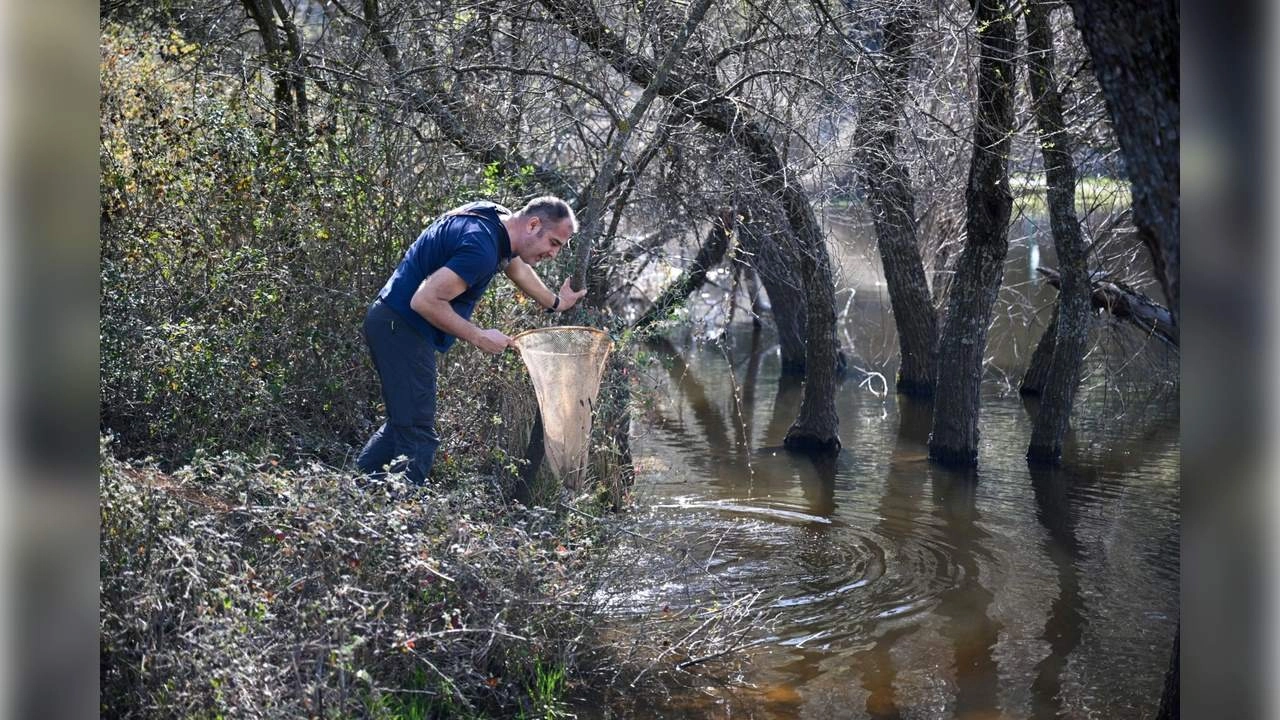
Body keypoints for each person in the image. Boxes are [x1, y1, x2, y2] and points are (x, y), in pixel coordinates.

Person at [356, 196, 586, 484]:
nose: (554, 254)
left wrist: (556, 302)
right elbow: (425, 301)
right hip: (401, 328)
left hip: (391, 322)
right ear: (533, 224)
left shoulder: (496, 219)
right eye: (553, 243)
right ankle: (395, 516)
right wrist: (479, 336)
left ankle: (354, 493)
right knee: (417, 435)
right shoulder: (481, 247)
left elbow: (516, 266)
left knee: (402, 426)